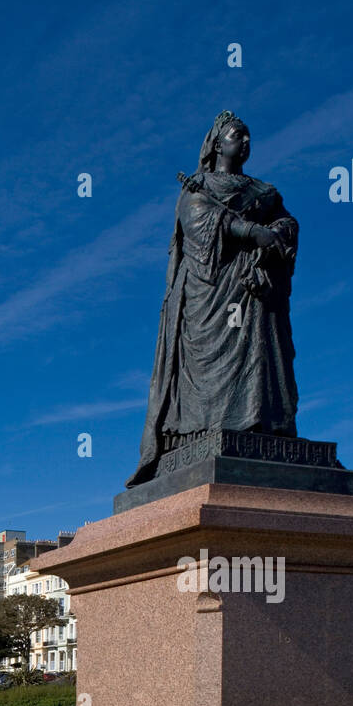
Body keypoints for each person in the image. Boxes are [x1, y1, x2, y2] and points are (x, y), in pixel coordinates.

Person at [128, 110, 300, 487]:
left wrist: (276, 234)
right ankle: (199, 431)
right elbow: (198, 222)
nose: (246, 142)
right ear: (218, 143)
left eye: (249, 136)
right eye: (239, 135)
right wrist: (250, 231)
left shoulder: (264, 191)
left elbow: (289, 223)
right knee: (207, 368)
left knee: (259, 354)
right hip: (210, 290)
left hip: (252, 288)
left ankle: (261, 424)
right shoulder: (197, 188)